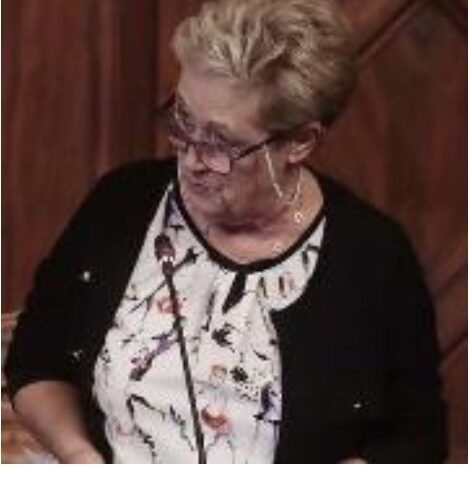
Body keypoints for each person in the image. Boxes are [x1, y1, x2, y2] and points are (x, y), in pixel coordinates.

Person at [5, 0, 447, 464]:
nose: (191, 159)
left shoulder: (374, 258)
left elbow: (415, 442)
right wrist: (79, 456)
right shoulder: (121, 204)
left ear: (300, 142)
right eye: (183, 120)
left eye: (221, 142)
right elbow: (36, 359)